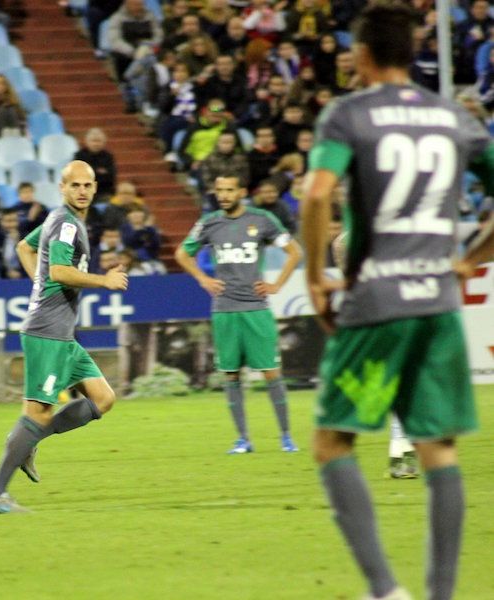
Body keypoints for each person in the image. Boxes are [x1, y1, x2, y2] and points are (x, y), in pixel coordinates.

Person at [300, 4, 494, 600]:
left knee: (334, 440)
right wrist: (468, 261)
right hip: (436, 305)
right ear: (414, 52)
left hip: (375, 305)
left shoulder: (348, 115)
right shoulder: (453, 118)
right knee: (438, 448)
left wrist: (313, 278)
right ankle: (441, 594)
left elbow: (316, 195)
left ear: (361, 56)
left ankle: (386, 590)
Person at [0, 160, 129, 513]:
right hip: (48, 332)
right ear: (62, 187)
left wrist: (38, 283)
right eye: (74, 185)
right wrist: (103, 280)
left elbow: (24, 249)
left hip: (62, 334)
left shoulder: (58, 219)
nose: (81, 191)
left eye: (87, 185)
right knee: (38, 411)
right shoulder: (65, 224)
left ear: (94, 189)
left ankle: (29, 438)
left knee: (103, 398)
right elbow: (60, 272)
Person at [174, 174, 302, 454]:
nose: (224, 195)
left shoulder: (263, 219)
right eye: (220, 190)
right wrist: (202, 279)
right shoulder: (209, 223)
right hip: (224, 310)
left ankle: (286, 437)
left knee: (271, 372)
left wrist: (277, 284)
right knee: (231, 375)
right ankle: (243, 439)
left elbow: (295, 251)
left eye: (229, 190)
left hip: (256, 309)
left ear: (242, 192)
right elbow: (182, 253)